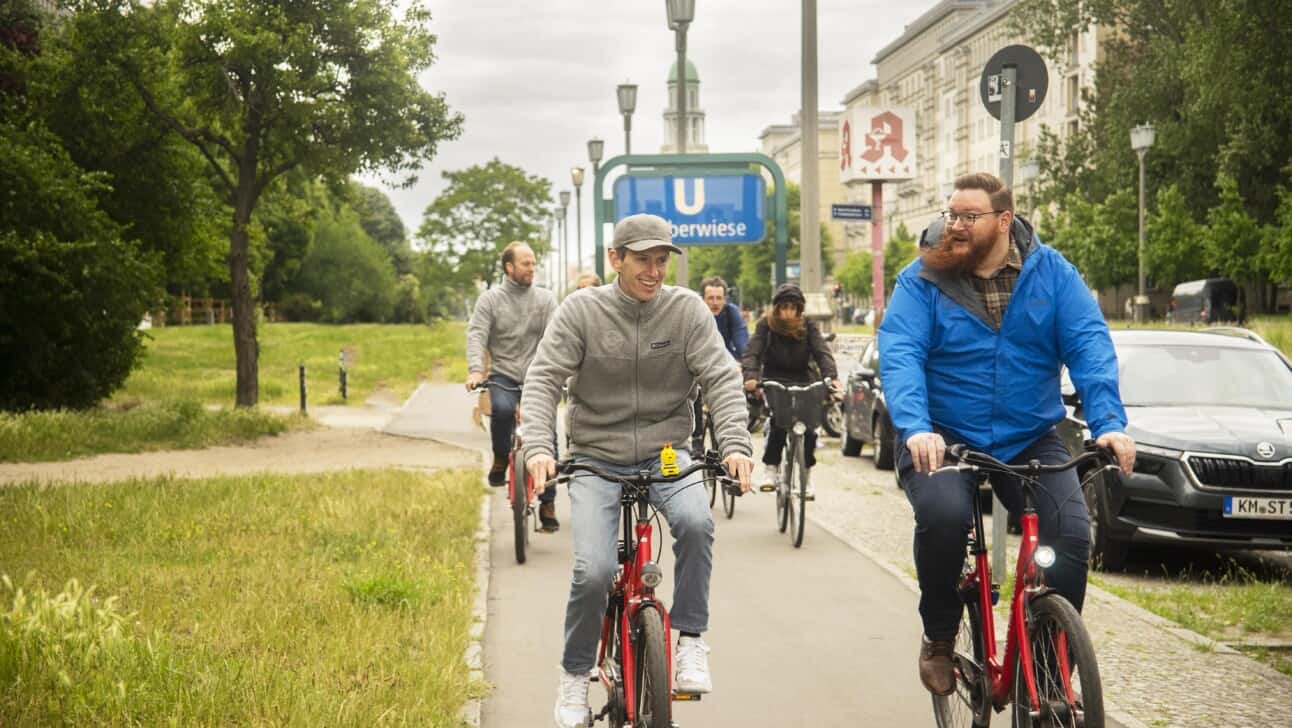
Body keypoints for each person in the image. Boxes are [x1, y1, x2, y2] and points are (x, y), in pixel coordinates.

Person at [878, 172, 1136, 697]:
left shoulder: (1052, 274)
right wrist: (917, 427)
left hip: (1029, 433)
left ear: (1003, 221)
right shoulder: (923, 278)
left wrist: (1109, 425)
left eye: (968, 217)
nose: (956, 225)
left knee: (1070, 533)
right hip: (944, 435)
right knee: (945, 515)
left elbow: (1088, 343)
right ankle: (941, 634)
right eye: (952, 215)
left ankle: (1044, 665)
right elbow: (901, 353)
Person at [519, 214, 754, 728]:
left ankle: (690, 638)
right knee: (595, 570)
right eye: (643, 259)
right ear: (615, 260)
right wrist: (540, 447)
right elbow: (542, 382)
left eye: (662, 259)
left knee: (696, 522)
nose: (654, 270)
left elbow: (720, 377)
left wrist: (735, 444)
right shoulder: (582, 310)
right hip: (594, 457)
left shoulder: (688, 309)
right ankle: (575, 674)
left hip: (667, 451)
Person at [465, 241, 561, 532]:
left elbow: (559, 338)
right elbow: (477, 334)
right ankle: (499, 457)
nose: (532, 268)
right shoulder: (490, 300)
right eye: (525, 264)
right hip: (503, 374)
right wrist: (475, 370)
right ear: (509, 267)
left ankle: (548, 502)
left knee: (547, 435)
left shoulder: (545, 300)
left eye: (533, 263)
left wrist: (566, 374)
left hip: (538, 376)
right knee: (503, 411)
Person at [741, 283, 838, 495]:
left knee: (810, 427)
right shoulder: (766, 325)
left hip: (803, 378)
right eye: (784, 307)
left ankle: (807, 475)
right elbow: (753, 353)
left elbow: (822, 352)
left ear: (799, 309)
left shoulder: (808, 326)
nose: (788, 312)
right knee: (779, 422)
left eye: (793, 307)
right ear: (777, 308)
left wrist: (831, 377)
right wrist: (750, 376)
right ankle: (771, 469)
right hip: (774, 378)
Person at [691, 276, 749, 451]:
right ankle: (696, 436)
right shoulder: (694, 314)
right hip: (697, 361)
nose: (715, 303)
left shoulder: (732, 313)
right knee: (692, 391)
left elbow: (741, 341)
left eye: (719, 298)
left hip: (725, 360)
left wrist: (743, 363)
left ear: (725, 299)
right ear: (703, 299)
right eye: (710, 298)